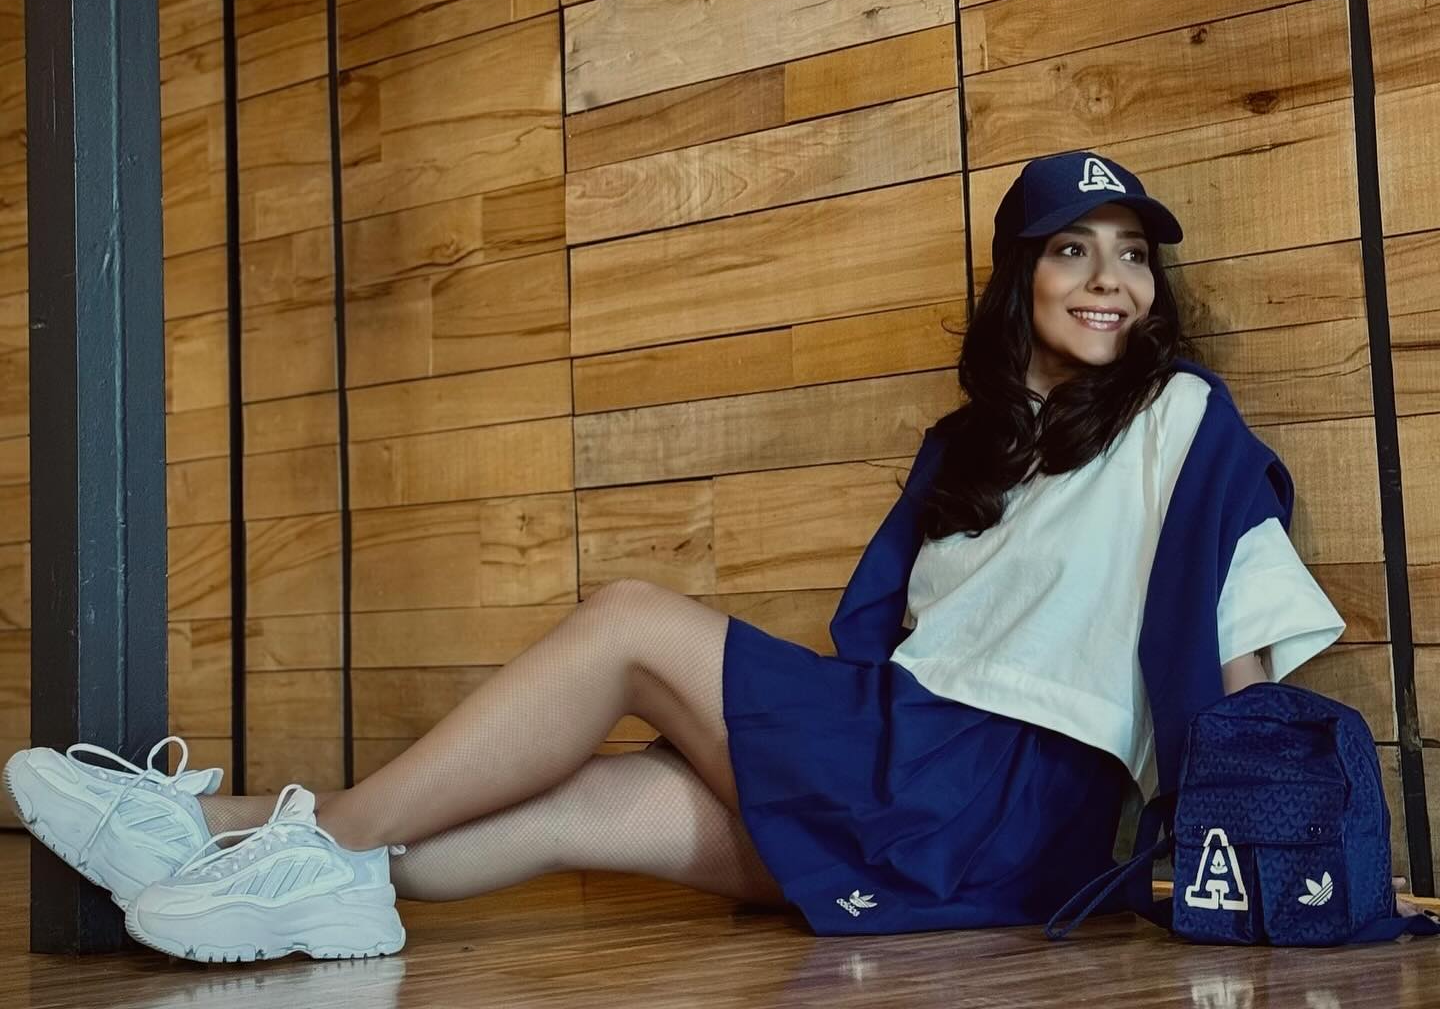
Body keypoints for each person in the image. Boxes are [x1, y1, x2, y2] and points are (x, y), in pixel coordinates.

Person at [4, 149, 1374, 961]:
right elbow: (883, 646)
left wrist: (1241, 846)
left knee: (626, 626)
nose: (1109, 280)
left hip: (1001, 791)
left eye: (1131, 256)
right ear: (1021, 276)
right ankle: (214, 847)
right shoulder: (965, 452)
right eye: (1072, 249)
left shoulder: (1178, 416)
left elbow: (1235, 619)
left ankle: (295, 842)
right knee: (560, 806)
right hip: (933, 810)